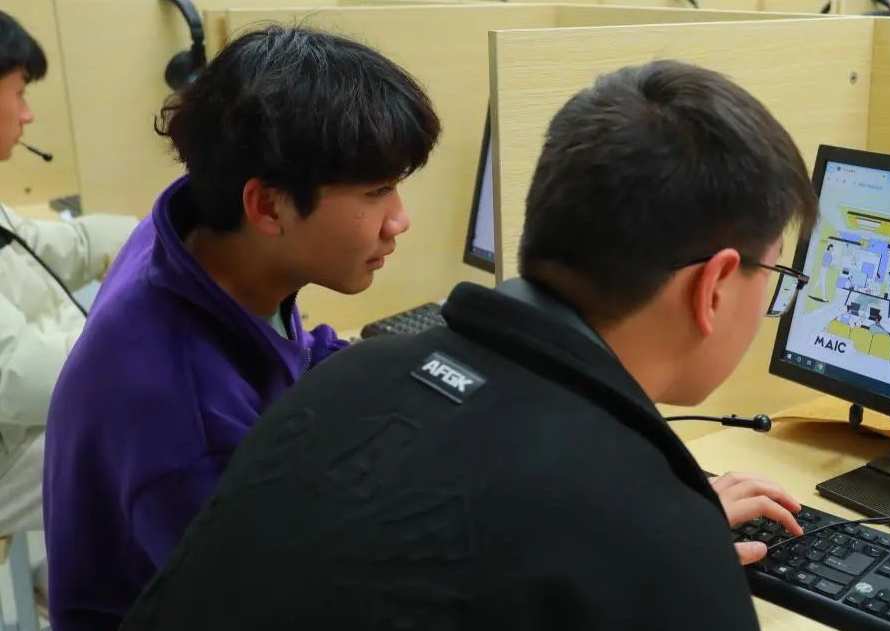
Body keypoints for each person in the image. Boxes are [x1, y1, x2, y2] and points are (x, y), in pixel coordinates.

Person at [119, 59, 818, 631]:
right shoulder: (654, 546)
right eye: (775, 276)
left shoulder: (346, 379)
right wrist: (668, 544)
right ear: (714, 285)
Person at [43, 26, 441, 631]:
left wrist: (416, 367)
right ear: (267, 206)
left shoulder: (200, 236)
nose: (399, 220)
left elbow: (288, 353)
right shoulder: (183, 420)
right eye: (377, 191)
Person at [0, 10, 137, 537]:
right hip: (10, 452)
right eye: (20, 93)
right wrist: (147, 334)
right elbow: (18, 379)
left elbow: (43, 247)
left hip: (17, 426)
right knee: (164, 444)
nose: (28, 115)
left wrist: (155, 232)